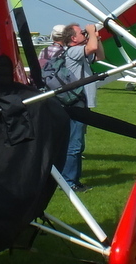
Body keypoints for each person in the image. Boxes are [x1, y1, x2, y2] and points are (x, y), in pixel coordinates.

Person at [43, 22, 104, 192]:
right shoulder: (73, 51)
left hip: (81, 104)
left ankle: (71, 179)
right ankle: (69, 182)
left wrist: (97, 37)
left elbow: (99, 56)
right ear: (73, 38)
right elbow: (91, 48)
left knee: (77, 144)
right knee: (74, 145)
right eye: (81, 33)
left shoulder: (79, 51)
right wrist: (91, 33)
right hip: (76, 104)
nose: (84, 34)